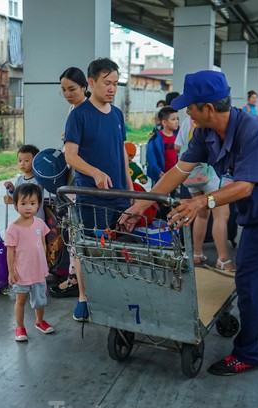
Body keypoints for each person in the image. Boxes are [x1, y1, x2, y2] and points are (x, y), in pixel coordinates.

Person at [120, 70, 258, 376]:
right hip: (255, 210)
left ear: (207, 108)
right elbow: (177, 172)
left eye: (190, 107)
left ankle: (248, 353)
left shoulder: (252, 129)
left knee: (249, 281)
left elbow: (246, 186)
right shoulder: (205, 133)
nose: (186, 113)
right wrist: (138, 206)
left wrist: (200, 202)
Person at [64, 57, 133, 322]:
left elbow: (122, 154)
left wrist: (129, 187)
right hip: (92, 197)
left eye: (115, 83)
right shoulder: (79, 115)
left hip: (120, 196)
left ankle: (116, 293)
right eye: (107, 83)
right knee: (89, 246)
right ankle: (83, 296)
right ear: (91, 82)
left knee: (120, 244)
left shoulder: (117, 114)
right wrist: (95, 173)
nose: (112, 88)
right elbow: (71, 156)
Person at [175, 114, 235, 272]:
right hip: (210, 174)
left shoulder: (187, 122)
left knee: (201, 214)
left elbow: (177, 146)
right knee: (221, 215)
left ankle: (197, 253)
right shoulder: (211, 122)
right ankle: (223, 259)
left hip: (191, 175)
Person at [50, 66, 90, 298]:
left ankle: (76, 281)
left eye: (72, 89)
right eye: (63, 90)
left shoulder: (86, 111)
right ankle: (74, 278)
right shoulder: (72, 110)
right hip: (73, 175)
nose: (67, 93)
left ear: (84, 87)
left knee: (78, 231)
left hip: (82, 179)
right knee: (75, 230)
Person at [5, 183, 55, 341]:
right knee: (20, 300)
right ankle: (19, 327)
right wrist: (11, 272)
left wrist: (46, 261)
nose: (28, 207)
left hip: (39, 271)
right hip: (21, 273)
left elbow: (43, 243)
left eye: (32, 203)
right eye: (23, 203)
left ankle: (39, 322)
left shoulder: (40, 223)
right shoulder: (13, 229)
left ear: (38, 204)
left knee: (40, 300)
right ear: (16, 204)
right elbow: (10, 251)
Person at [3, 144, 45, 221]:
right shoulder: (20, 179)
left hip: (36, 220)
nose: (22, 163)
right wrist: (12, 190)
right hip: (25, 219)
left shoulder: (38, 180)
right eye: (20, 161)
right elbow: (16, 196)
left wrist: (12, 201)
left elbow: (29, 202)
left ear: (35, 161)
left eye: (26, 160)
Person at [146, 106, 179, 184]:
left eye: (177, 119)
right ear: (164, 122)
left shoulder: (178, 137)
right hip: (160, 175)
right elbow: (151, 157)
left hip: (175, 175)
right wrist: (158, 171)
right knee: (158, 195)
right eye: (173, 119)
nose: (176, 121)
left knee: (172, 195)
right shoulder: (155, 138)